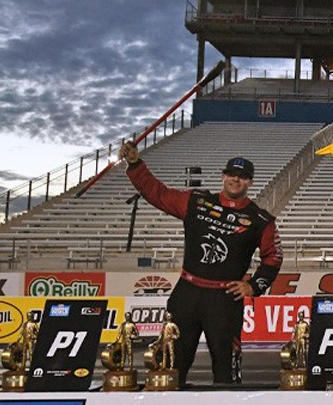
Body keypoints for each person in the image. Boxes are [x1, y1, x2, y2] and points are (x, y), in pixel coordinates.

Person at [119, 141, 283, 387]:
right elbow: (158, 193)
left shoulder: (261, 219)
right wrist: (135, 164)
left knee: (226, 369)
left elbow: (274, 257)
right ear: (223, 176)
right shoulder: (196, 201)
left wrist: (253, 286)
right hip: (187, 292)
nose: (235, 180)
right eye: (231, 174)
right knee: (172, 363)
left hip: (225, 299)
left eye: (242, 177)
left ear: (250, 182)